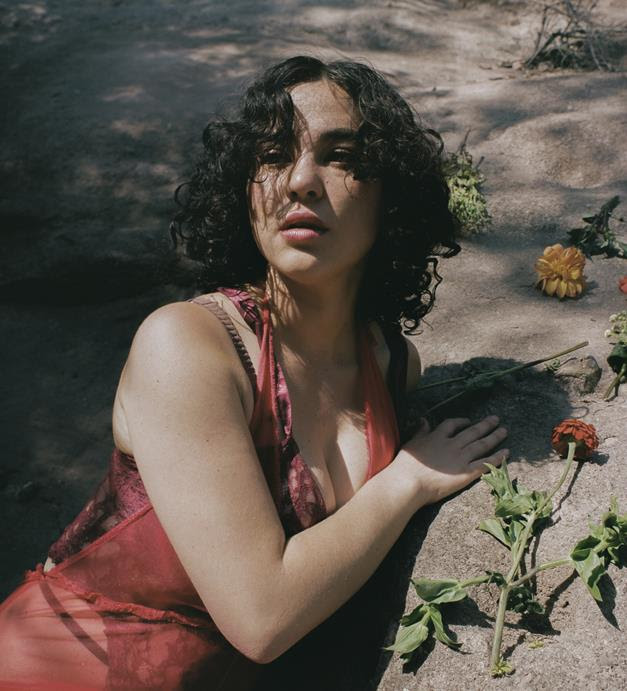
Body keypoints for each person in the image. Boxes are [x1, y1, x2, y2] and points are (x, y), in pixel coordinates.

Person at [0, 56, 508, 689]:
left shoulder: (392, 364)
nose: (300, 181)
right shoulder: (188, 346)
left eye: (341, 156)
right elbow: (262, 619)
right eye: (272, 156)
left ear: (391, 195)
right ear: (243, 190)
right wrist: (407, 479)